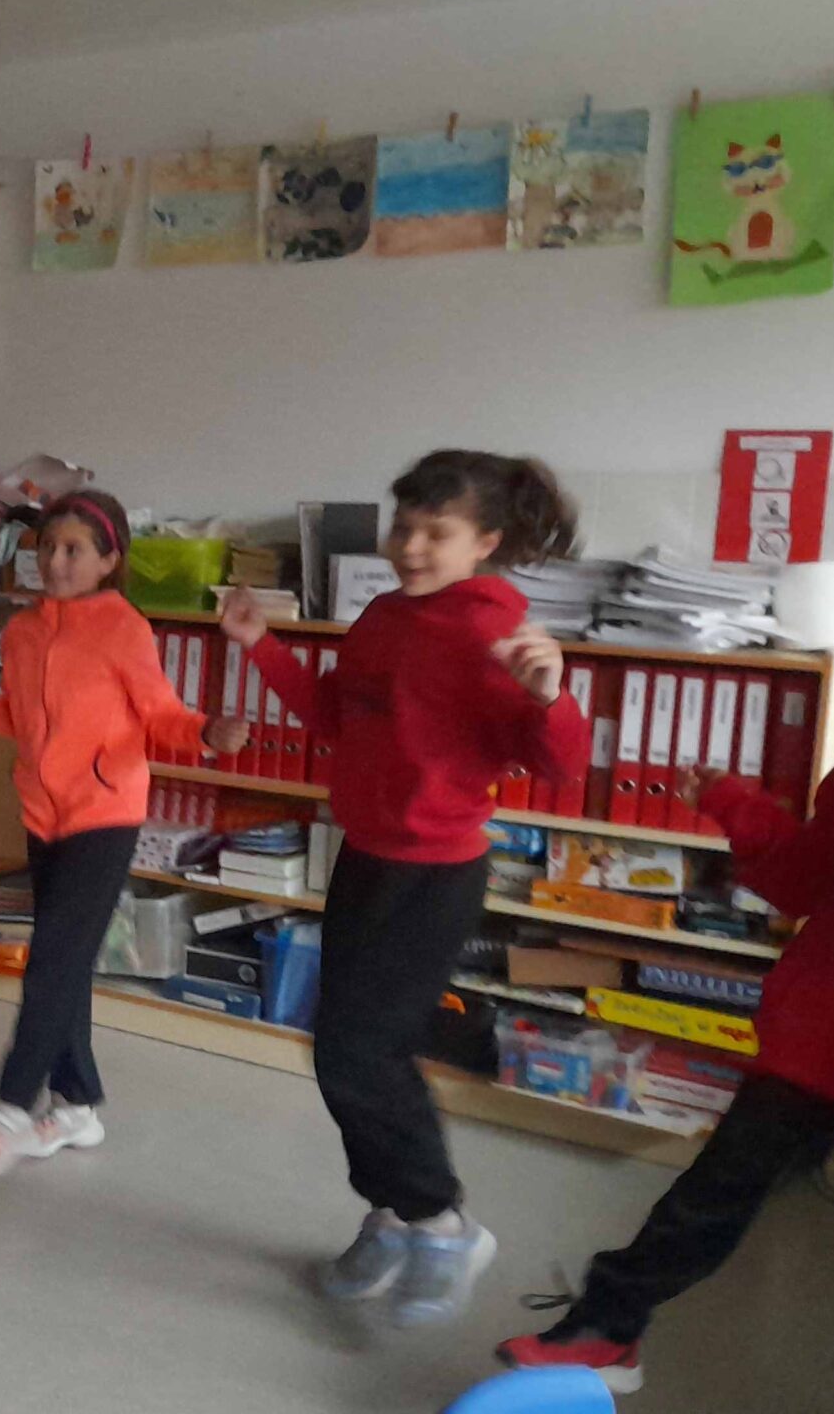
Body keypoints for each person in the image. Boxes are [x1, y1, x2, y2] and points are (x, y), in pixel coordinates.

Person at [499, 540, 834, 1413]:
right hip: (832, 1025)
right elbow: (804, 881)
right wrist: (734, 804)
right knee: (718, 1187)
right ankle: (607, 1324)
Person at [221, 448, 586, 1326]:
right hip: (367, 858)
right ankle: (392, 1212)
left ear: (485, 542)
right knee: (339, 1051)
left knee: (365, 1052)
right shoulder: (385, 616)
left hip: (437, 873)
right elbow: (331, 720)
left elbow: (560, 770)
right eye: (403, 527)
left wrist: (550, 698)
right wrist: (261, 645)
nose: (410, 547)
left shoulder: (493, 633)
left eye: (436, 532)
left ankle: (442, 1221)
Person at [0, 491, 247, 1175]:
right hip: (44, 816)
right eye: (46, 547)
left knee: (52, 963)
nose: (56, 561)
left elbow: (160, 716)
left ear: (109, 560)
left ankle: (10, 1109)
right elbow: (14, 720)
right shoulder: (22, 632)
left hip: (105, 816)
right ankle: (76, 1105)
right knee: (63, 964)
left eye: (74, 549)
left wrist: (207, 733)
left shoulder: (124, 628)